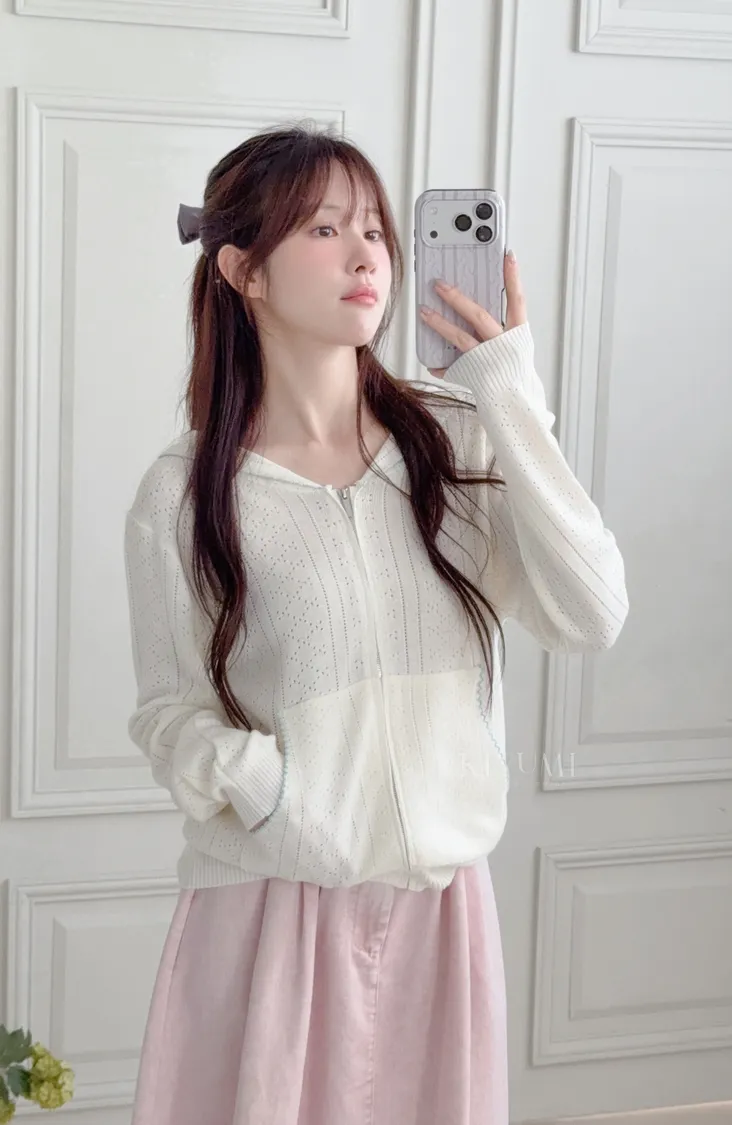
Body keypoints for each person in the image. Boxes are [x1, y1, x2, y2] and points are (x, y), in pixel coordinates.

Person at [123, 122, 628, 1125]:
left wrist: (509, 393)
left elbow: (592, 611)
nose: (366, 256)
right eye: (323, 229)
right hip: (271, 909)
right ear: (243, 271)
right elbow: (168, 711)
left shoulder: (457, 438)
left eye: (375, 230)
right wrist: (271, 795)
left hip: (442, 909)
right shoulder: (185, 492)